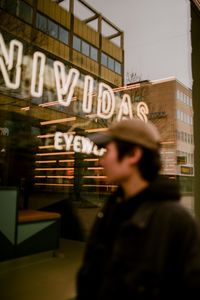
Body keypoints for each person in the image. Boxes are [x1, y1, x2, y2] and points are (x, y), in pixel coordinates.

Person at [75, 118, 200, 299]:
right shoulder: (111, 209)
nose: (100, 161)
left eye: (107, 151)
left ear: (133, 154)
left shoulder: (176, 221)